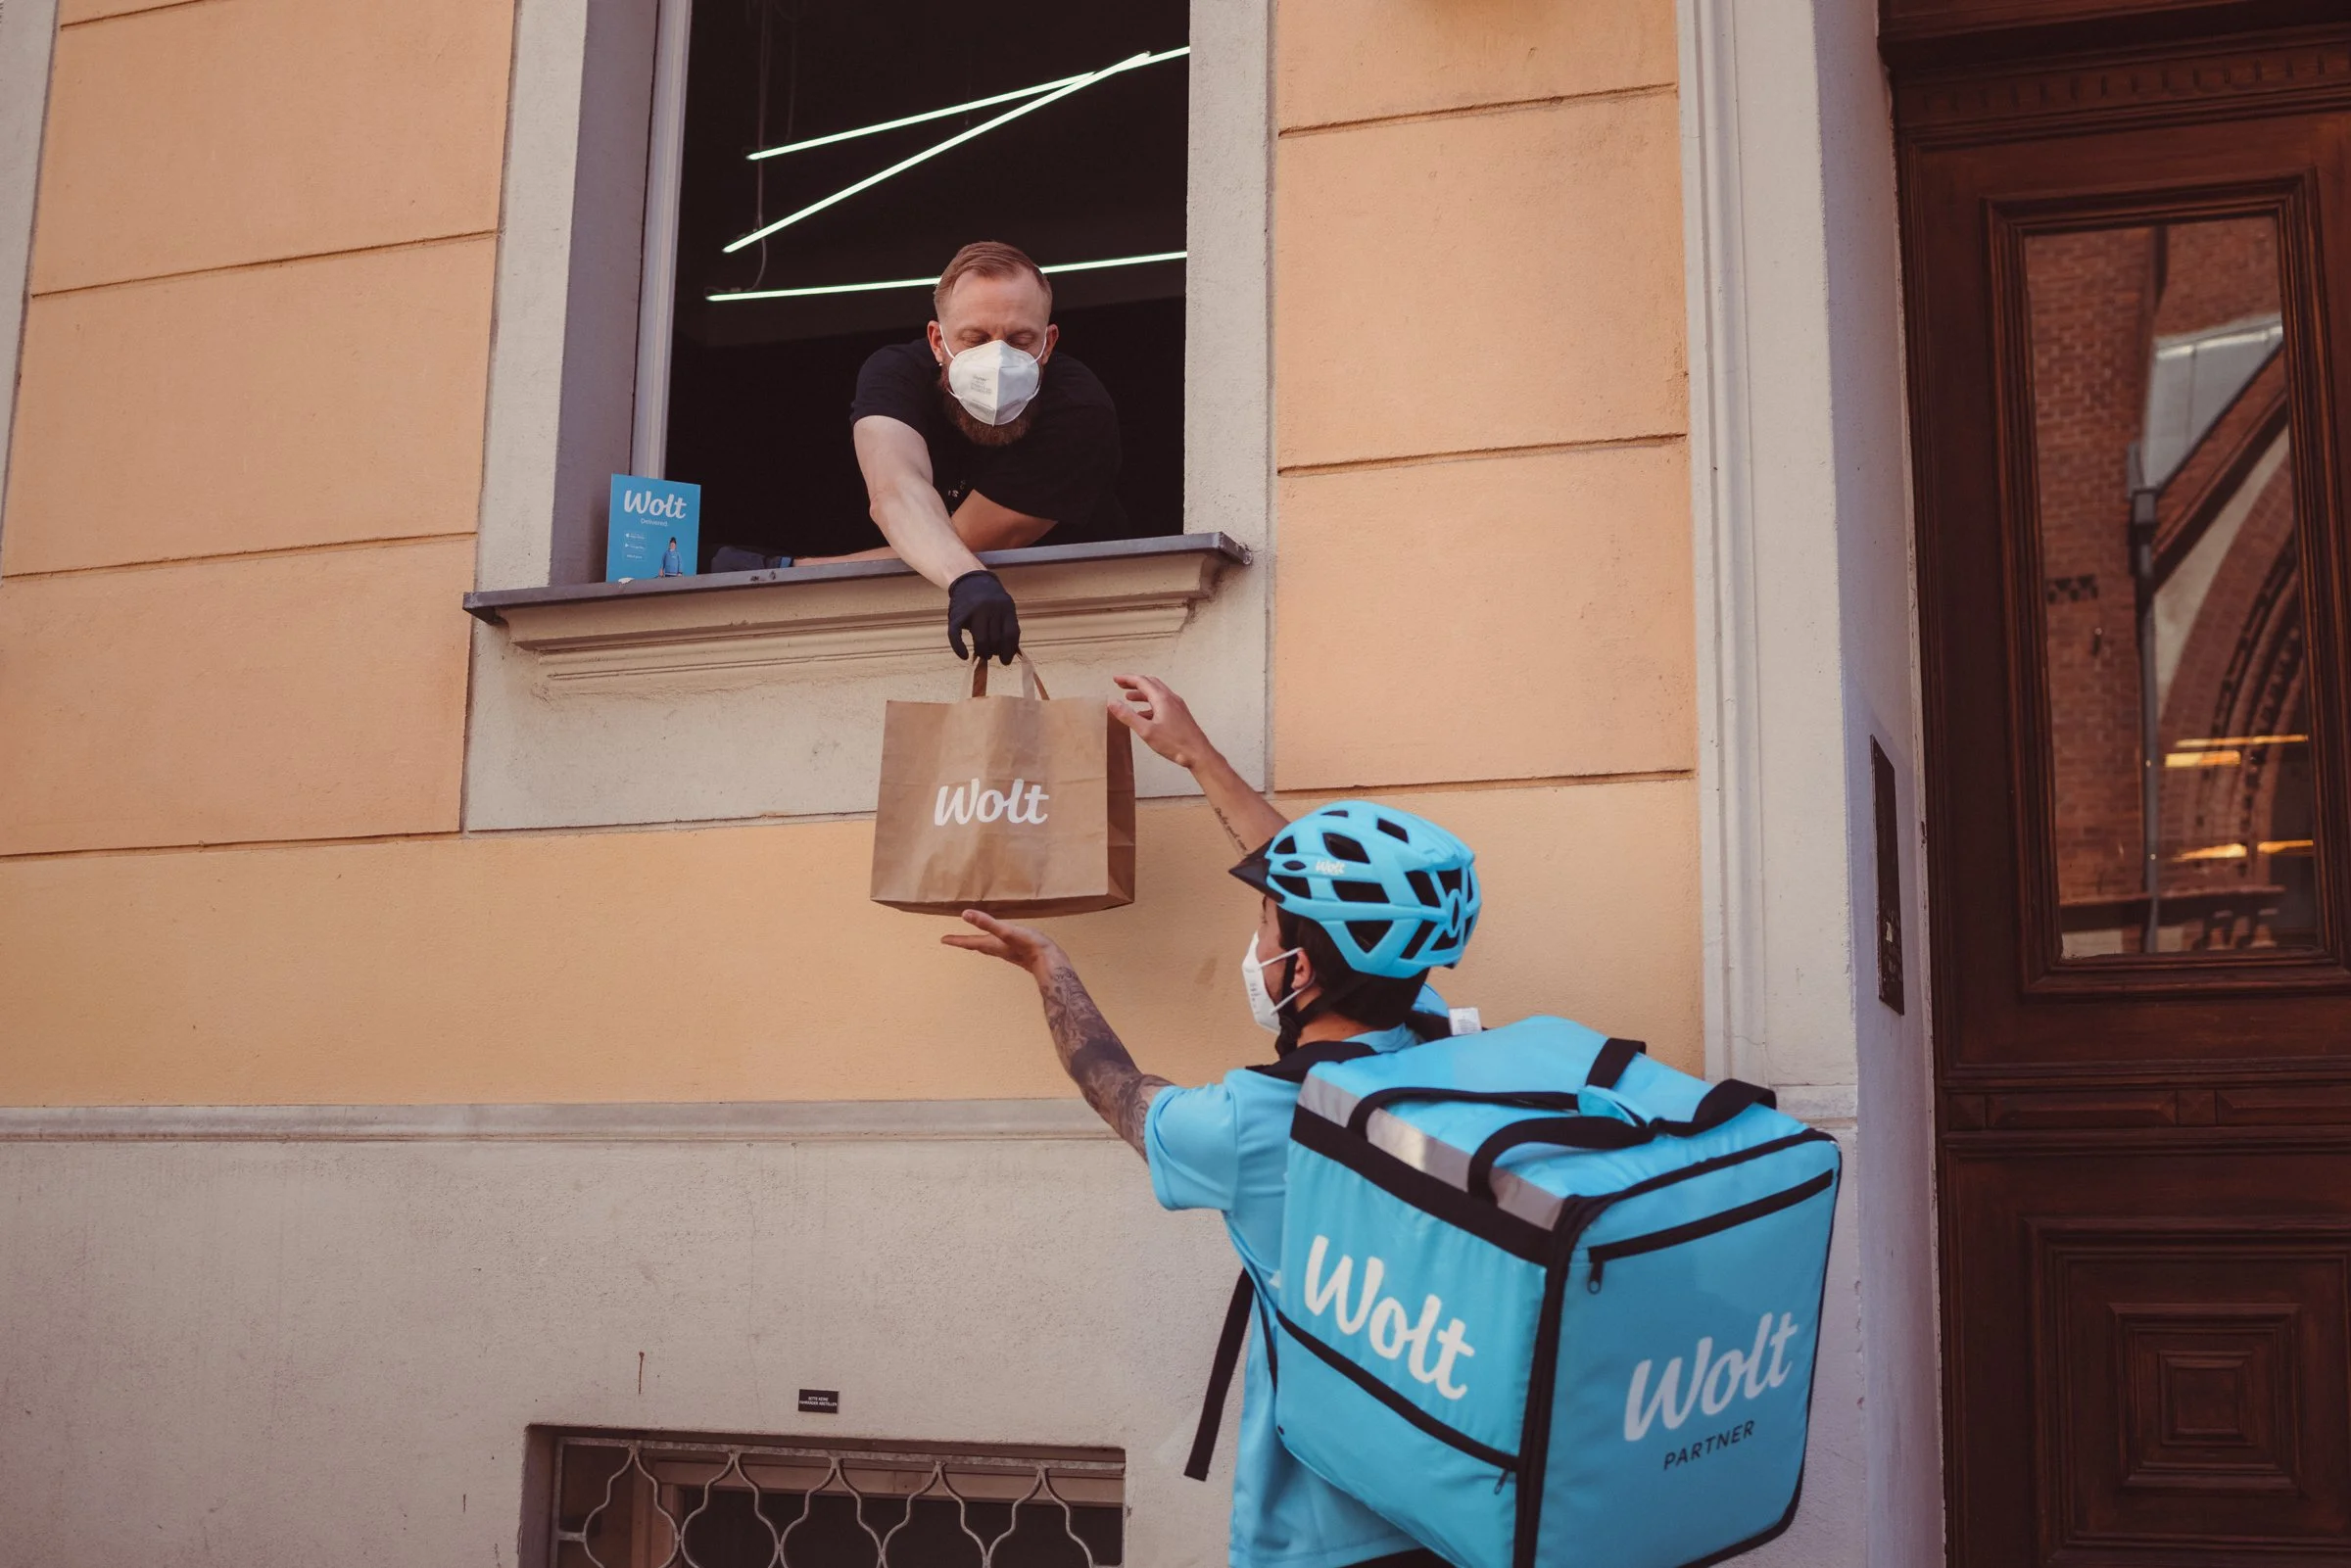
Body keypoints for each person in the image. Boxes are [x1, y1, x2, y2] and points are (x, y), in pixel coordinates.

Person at [945, 674, 1474, 1568]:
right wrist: (1194, 753)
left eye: (1267, 928)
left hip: (1328, 1534)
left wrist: (1049, 969)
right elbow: (1344, 908)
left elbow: (1112, 1084)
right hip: (1465, 1509)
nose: (1257, 941)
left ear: (1299, 969)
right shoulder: (1457, 1046)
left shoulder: (1258, 1120)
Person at [801, 241, 1126, 665]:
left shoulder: (1079, 410)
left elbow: (965, 542)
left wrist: (799, 571)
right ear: (937, 341)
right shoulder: (896, 374)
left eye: (1019, 339)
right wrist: (967, 580)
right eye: (974, 339)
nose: (997, 358)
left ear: (1048, 344)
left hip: (1087, 632)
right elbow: (896, 488)